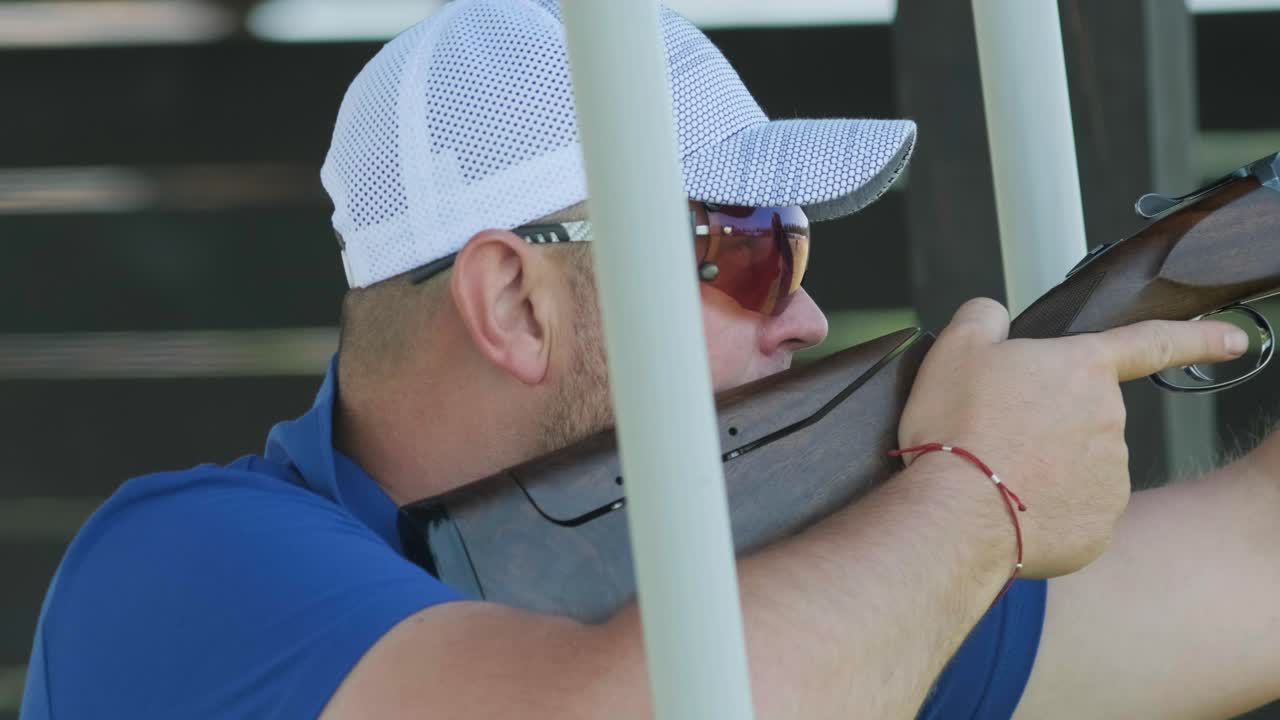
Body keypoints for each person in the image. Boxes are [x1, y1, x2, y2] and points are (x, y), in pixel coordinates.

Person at [20, 1, 1280, 718]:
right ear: (514, 303)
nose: (799, 316)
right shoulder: (182, 571)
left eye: (789, 246)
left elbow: (1253, 577)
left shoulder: (800, 599)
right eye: (739, 252)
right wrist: (970, 495)